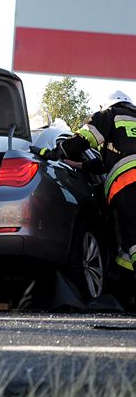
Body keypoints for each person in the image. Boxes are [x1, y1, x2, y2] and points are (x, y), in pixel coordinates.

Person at [58, 90, 136, 276]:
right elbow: (107, 161)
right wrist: (80, 164)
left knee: (133, 238)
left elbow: (86, 137)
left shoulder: (110, 115)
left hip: (129, 184)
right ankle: (124, 288)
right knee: (128, 250)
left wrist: (60, 150)